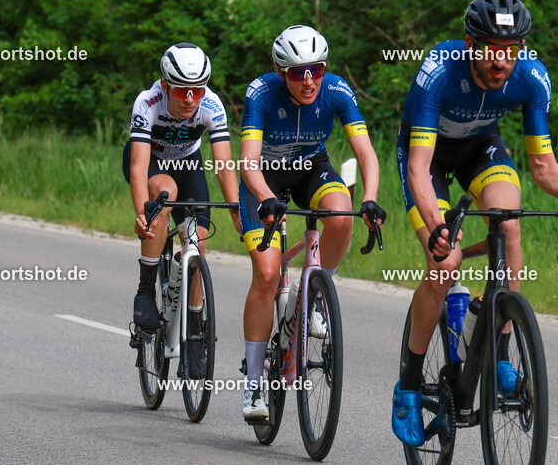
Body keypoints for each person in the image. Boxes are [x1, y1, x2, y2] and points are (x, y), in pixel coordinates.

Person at [392, 0, 558, 446]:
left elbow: (544, 167)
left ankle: (501, 352)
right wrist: (437, 229)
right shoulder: (439, 69)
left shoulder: (532, 77)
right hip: (427, 156)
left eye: (511, 50)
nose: (501, 61)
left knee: (508, 225)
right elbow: (418, 168)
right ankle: (408, 383)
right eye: (492, 49)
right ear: (471, 44)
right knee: (445, 264)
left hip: (480, 148)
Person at [238, 25, 386, 419]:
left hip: (310, 169)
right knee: (266, 274)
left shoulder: (337, 89)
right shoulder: (260, 92)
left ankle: (316, 293)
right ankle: (253, 385)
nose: (308, 81)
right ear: (280, 72)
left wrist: (370, 198)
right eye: (297, 73)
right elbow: (248, 162)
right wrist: (265, 197)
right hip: (264, 177)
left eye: (316, 70)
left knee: (341, 215)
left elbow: (365, 152)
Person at [125, 43, 241, 374]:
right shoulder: (148, 102)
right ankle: (146, 290)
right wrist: (142, 213)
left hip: (188, 164)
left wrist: (236, 211)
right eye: (181, 91)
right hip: (152, 163)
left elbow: (224, 165)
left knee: (198, 242)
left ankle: (194, 328)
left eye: (197, 90)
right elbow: (138, 168)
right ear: (165, 86)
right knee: (166, 193)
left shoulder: (212, 105)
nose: (190, 98)